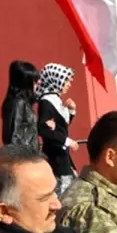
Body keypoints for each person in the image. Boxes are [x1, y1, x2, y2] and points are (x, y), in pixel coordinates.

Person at [37, 62, 79, 194]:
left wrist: (71, 111)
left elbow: (61, 127)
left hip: (62, 155)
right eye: (66, 80)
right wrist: (67, 141)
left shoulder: (56, 99)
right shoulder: (47, 101)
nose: (69, 84)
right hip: (55, 157)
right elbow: (43, 129)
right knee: (64, 194)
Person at [1, 60, 39, 149]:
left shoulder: (21, 102)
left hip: (29, 156)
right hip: (24, 158)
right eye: (34, 81)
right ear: (26, 83)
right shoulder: (19, 104)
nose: (38, 83)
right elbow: (14, 136)